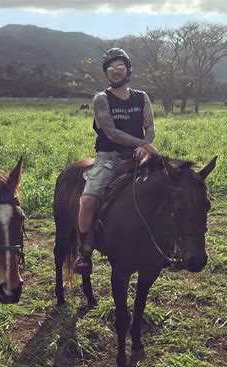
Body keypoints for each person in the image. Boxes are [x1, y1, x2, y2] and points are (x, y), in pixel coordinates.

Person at [73, 48, 159, 275]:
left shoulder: (142, 97)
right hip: (109, 158)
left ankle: (169, 242)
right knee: (88, 200)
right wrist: (140, 143)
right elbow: (110, 132)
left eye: (120, 67)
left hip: (138, 155)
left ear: (129, 69)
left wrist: (143, 145)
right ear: (106, 74)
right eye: (110, 69)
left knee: (168, 187)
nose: (115, 72)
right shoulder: (102, 98)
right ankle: (85, 250)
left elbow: (150, 127)